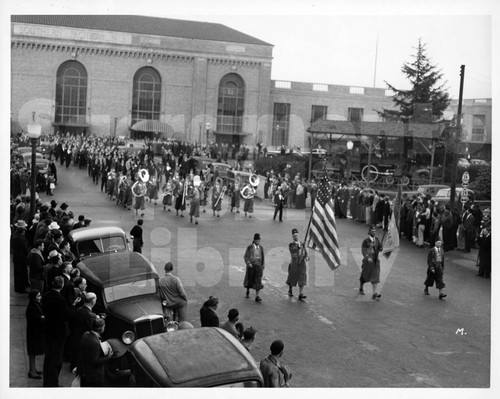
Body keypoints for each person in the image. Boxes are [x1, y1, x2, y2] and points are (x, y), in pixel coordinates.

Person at [42, 276, 70, 387]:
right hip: (58, 332)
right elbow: (66, 316)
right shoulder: (61, 300)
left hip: (48, 330)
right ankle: (53, 382)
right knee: (56, 359)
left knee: (48, 357)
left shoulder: (46, 296)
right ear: (62, 285)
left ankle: (47, 381)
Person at [77, 318, 113, 387]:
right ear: (101, 328)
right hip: (92, 376)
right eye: (104, 326)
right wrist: (108, 357)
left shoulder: (85, 334)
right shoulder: (95, 342)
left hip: (83, 371)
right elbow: (94, 361)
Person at [71, 292, 98, 370]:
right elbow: (92, 328)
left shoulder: (79, 309)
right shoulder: (91, 315)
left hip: (76, 337)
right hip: (85, 340)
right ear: (92, 302)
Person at [359, 225, 383, 300]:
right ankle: (361, 287)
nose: (374, 232)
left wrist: (381, 247)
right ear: (369, 232)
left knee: (376, 276)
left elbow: (380, 249)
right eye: (372, 231)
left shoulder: (377, 240)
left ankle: (374, 293)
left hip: (375, 261)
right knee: (365, 275)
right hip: (368, 261)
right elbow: (363, 251)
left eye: (374, 231)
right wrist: (367, 257)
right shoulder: (365, 241)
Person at [26, 289, 45, 379]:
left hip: (34, 332)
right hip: (33, 333)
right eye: (38, 296)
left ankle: (33, 369)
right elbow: (35, 320)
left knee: (33, 352)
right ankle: (32, 371)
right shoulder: (32, 308)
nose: (40, 297)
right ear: (34, 298)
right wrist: (42, 318)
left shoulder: (34, 305)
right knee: (32, 352)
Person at [286, 228, 308, 300]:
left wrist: (307, 256)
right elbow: (293, 250)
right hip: (294, 263)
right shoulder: (291, 244)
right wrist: (299, 247)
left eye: (296, 235)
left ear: (298, 235)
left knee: (302, 277)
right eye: (294, 235)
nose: (295, 237)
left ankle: (300, 294)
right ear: (292, 237)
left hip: (301, 263)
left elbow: (305, 251)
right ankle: (290, 289)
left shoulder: (302, 243)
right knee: (292, 277)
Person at [243, 233, 265, 302]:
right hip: (251, 266)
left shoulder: (261, 248)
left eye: (259, 240)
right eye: (257, 240)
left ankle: (257, 296)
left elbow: (263, 257)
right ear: (254, 240)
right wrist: (248, 263)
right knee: (250, 280)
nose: (258, 242)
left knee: (258, 280)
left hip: (258, 266)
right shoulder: (250, 247)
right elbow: (246, 256)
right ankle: (247, 290)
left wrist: (263, 265)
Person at [11, 220, 29, 293]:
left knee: (18, 274)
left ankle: (18, 287)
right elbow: (25, 249)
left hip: (17, 257)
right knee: (21, 274)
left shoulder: (15, 235)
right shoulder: (20, 238)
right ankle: (21, 288)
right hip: (21, 258)